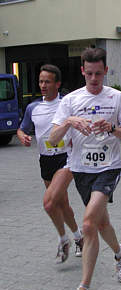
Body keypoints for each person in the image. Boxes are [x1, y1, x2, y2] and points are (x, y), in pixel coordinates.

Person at [49, 47, 121, 290]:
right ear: (82, 71)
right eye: (90, 74)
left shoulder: (116, 97)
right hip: (81, 170)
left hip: (109, 168)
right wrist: (70, 122)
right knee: (101, 224)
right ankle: (120, 254)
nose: (94, 79)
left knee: (88, 225)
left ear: (106, 71)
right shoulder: (71, 101)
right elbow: (53, 139)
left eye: (99, 73)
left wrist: (110, 127)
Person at [17, 64, 83, 263]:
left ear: (57, 83)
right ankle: (79, 237)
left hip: (66, 159)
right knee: (62, 203)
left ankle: (63, 239)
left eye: (47, 81)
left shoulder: (67, 104)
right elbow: (22, 129)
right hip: (45, 160)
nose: (43, 85)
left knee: (50, 202)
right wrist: (22, 137)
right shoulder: (32, 108)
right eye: (40, 81)